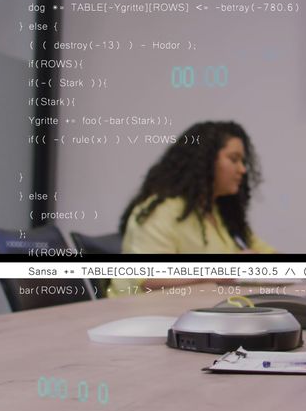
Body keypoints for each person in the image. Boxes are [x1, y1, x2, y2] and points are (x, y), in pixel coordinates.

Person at [112, 121, 274, 294]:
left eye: (243, 161)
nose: (242, 169)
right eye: (234, 159)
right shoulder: (162, 210)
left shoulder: (222, 213)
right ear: (205, 161)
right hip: (140, 313)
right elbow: (150, 278)